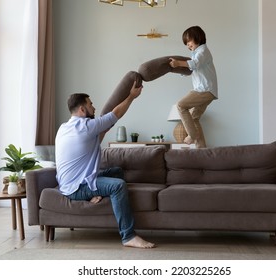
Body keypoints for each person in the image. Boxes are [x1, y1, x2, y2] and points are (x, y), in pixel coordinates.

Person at [55, 81, 155, 249]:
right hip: (77, 187)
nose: (94, 107)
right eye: (90, 104)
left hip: (71, 183)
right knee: (118, 186)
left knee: (116, 172)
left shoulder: (64, 128)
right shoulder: (86, 126)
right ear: (82, 109)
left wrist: (106, 125)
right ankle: (128, 236)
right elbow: (115, 114)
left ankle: (93, 195)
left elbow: (98, 137)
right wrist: (131, 96)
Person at [169, 26, 218, 148]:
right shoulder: (196, 54)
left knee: (180, 105)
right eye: (186, 43)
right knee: (194, 118)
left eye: (189, 41)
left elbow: (194, 64)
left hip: (204, 90)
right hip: (207, 91)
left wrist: (179, 63)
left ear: (198, 38)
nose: (187, 45)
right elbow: (191, 69)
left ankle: (192, 135)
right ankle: (202, 150)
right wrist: (179, 68)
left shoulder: (203, 51)